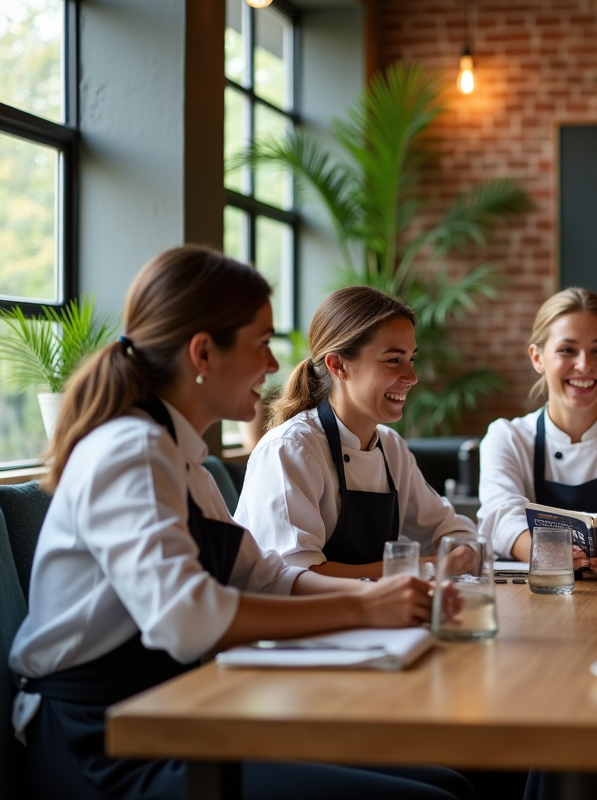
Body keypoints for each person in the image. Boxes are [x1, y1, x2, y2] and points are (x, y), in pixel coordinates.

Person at [8, 247, 473, 800]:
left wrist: (386, 595)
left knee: (448, 783)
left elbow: (265, 577)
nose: (274, 365)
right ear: (204, 353)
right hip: (104, 739)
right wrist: (365, 607)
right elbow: (186, 618)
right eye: (261, 343)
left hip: (179, 711)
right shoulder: (129, 452)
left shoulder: (184, 461)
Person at [235, 286, 475, 579]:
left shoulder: (391, 447)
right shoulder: (291, 448)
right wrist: (426, 566)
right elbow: (297, 577)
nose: (412, 377)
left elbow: (451, 528)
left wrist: (462, 550)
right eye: (393, 360)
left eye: (411, 359)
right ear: (338, 365)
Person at [477, 288, 597, 579]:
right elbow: (501, 521)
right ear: (537, 357)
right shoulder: (506, 437)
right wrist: (550, 555)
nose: (584, 365)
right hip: (542, 591)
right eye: (567, 350)